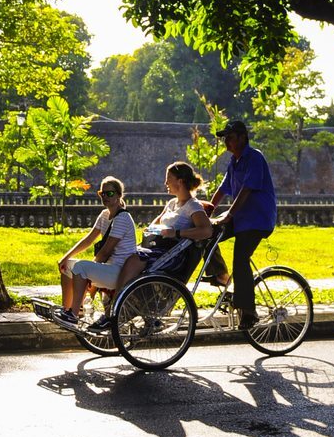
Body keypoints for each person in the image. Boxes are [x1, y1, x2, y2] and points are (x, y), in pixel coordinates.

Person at [90, 161, 215, 332]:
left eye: (168, 179)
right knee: (122, 255)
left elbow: (206, 230)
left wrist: (176, 232)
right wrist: (153, 230)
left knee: (134, 259)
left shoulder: (192, 206)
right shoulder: (172, 204)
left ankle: (113, 312)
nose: (165, 183)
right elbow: (153, 225)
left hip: (172, 254)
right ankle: (115, 306)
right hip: (157, 248)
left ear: (179, 181)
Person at [209, 120, 277, 330]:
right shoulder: (234, 161)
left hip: (257, 219)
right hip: (240, 218)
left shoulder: (254, 158)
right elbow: (223, 189)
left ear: (241, 137)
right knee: (206, 233)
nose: (226, 142)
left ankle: (249, 312)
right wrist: (207, 211)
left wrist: (228, 214)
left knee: (240, 258)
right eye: (225, 139)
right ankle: (221, 275)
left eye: (229, 138)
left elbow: (246, 190)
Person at [54, 176, 136, 326]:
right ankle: (67, 309)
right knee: (67, 266)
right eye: (102, 193)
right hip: (108, 268)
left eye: (109, 193)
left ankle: (73, 314)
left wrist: (89, 271)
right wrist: (65, 257)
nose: (105, 197)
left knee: (81, 268)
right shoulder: (104, 215)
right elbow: (89, 239)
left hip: (120, 272)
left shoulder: (123, 218)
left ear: (119, 195)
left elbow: (105, 252)